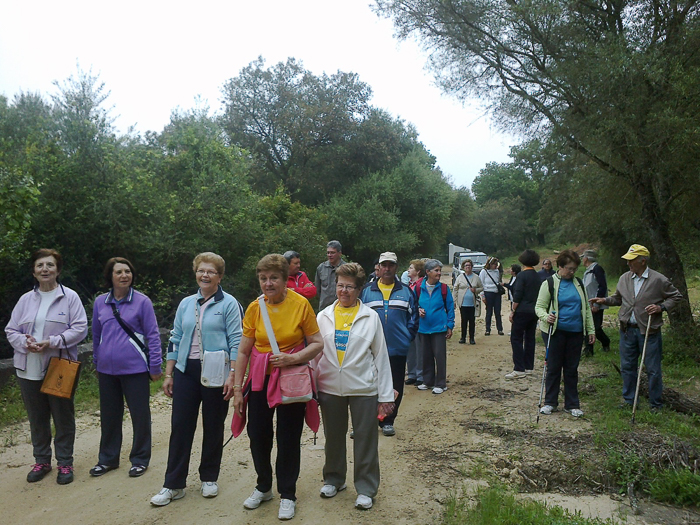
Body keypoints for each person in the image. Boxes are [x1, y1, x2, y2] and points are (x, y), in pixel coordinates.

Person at [227, 254, 324, 520]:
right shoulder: (255, 308)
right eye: (263, 278)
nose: (268, 284)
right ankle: (264, 486)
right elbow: (244, 351)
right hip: (260, 379)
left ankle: (288, 493)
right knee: (258, 434)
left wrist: (293, 358)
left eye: (274, 278)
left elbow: (317, 343)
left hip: (290, 377)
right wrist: (237, 389)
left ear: (285, 279)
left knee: (288, 436)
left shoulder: (301, 304)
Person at [151, 252, 242, 506]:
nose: (205, 275)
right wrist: (169, 374)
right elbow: (175, 337)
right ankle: (173, 484)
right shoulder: (186, 303)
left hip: (216, 371)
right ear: (196, 273)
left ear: (220, 276)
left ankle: (209, 477)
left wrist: (233, 375)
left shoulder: (229, 304)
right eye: (201, 270)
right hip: (185, 371)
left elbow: (237, 341)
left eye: (211, 271)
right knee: (180, 426)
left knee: (213, 425)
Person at [5, 249, 88, 485]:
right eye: (40, 265)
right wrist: (25, 343)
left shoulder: (69, 297)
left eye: (50, 265)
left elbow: (80, 328)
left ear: (58, 270)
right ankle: (41, 460)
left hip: (59, 366)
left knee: (62, 417)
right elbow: (11, 331)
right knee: (37, 418)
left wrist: (52, 342)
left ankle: (65, 463)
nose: (45, 269)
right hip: (27, 367)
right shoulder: (25, 300)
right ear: (34, 271)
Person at [316, 262, 395, 510]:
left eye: (350, 287)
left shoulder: (370, 318)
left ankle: (366, 487)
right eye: (340, 285)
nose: (344, 291)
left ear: (360, 289)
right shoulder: (323, 316)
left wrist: (385, 396)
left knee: (365, 439)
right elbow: (316, 354)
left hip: (363, 388)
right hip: (330, 388)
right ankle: (334, 478)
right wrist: (311, 386)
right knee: (333, 437)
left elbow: (381, 357)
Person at [91, 257, 163, 478]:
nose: (124, 276)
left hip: (135, 370)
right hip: (107, 371)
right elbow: (96, 334)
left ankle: (140, 459)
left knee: (140, 416)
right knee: (110, 416)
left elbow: (153, 335)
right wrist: (97, 360)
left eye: (128, 271)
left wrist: (155, 366)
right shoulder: (100, 302)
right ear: (110, 277)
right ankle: (107, 459)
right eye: (119, 272)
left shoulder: (142, 302)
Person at [591, 244, 682, 410]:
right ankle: (629, 401)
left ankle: (655, 404)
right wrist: (604, 300)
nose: (628, 264)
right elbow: (618, 299)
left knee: (653, 369)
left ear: (643, 260)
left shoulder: (658, 279)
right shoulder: (624, 278)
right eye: (628, 260)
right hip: (627, 330)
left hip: (649, 330)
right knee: (627, 367)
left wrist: (660, 307)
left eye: (631, 260)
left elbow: (676, 296)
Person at [360, 252, 418, 436]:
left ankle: (388, 420)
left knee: (394, 386)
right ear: (379, 267)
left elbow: (414, 318)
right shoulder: (367, 291)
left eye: (390, 265)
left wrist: (406, 337)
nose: (387, 269)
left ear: (396, 267)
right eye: (384, 265)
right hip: (370, 349)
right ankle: (367, 421)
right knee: (368, 385)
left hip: (396, 349)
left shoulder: (406, 291)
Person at [535, 250, 595, 418]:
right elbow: (539, 307)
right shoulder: (549, 283)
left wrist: (590, 330)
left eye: (574, 269)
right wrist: (547, 317)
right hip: (555, 332)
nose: (572, 272)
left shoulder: (579, 284)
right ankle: (550, 402)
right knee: (554, 367)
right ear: (560, 267)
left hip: (575, 332)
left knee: (571, 369)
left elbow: (586, 310)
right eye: (569, 268)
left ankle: (572, 404)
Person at [416, 259, 455, 394]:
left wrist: (450, 325)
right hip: (423, 327)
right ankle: (428, 381)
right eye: (436, 271)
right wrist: (418, 309)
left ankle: (441, 383)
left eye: (440, 270)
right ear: (428, 272)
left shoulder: (444, 289)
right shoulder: (418, 288)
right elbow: (413, 304)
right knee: (426, 356)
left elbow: (450, 308)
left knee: (439, 356)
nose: (439, 273)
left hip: (439, 327)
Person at [506, 250, 541, 380]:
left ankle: (519, 368)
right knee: (530, 338)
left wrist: (513, 310)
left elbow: (518, 295)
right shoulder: (537, 276)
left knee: (516, 338)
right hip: (534, 311)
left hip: (522, 311)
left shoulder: (521, 276)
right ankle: (529, 366)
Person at [581, 250, 610, 355]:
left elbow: (602, 287)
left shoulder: (597, 269)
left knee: (596, 328)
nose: (582, 260)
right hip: (588, 305)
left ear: (586, 258)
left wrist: (597, 304)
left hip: (596, 305)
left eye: (583, 257)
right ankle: (588, 350)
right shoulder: (588, 271)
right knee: (588, 327)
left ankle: (606, 342)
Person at [404, 259, 426, 386]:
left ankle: (420, 374)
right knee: (410, 348)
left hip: (419, 321)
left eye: (411, 267)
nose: (408, 269)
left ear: (418, 271)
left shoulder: (421, 285)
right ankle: (412, 373)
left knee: (419, 349)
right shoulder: (410, 284)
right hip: (409, 321)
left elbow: (421, 301)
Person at [452, 259, 483, 345]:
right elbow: (455, 289)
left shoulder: (476, 277)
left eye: (469, 265)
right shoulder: (460, 277)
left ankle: (472, 338)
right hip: (463, 303)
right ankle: (463, 337)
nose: (468, 267)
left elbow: (481, 287)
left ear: (472, 267)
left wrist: (475, 290)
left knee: (472, 321)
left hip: (472, 303)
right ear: (463, 267)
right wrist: (454, 300)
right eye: (466, 266)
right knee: (464, 321)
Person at [315, 240, 346, 310]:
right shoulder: (321, 268)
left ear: (339, 253)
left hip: (342, 307)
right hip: (324, 308)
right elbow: (317, 289)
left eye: (332, 253)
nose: (329, 255)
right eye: (328, 253)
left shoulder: (346, 268)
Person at [479, 257, 504, 336]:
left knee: (497, 312)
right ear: (489, 264)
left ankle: (500, 329)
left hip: (496, 293)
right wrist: (483, 295)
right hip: (488, 292)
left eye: (496, 264)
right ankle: (487, 329)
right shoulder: (484, 272)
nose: (495, 266)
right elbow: (481, 284)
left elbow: (500, 277)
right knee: (489, 312)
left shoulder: (497, 271)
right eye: (494, 264)